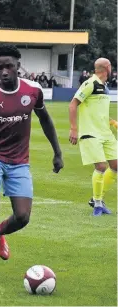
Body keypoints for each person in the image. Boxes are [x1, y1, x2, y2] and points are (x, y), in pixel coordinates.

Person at [0, 45, 63, 283]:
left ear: (18, 65)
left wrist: (57, 152)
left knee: (23, 217)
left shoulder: (33, 90)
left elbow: (45, 119)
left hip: (19, 162)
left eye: (9, 66)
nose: (4, 71)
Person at [69, 57, 117, 216]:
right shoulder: (91, 83)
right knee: (101, 167)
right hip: (92, 133)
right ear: (107, 68)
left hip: (105, 132)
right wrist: (74, 129)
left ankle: (97, 198)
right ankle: (97, 204)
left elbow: (97, 110)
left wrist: (111, 121)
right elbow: (73, 103)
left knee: (116, 165)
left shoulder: (104, 86)